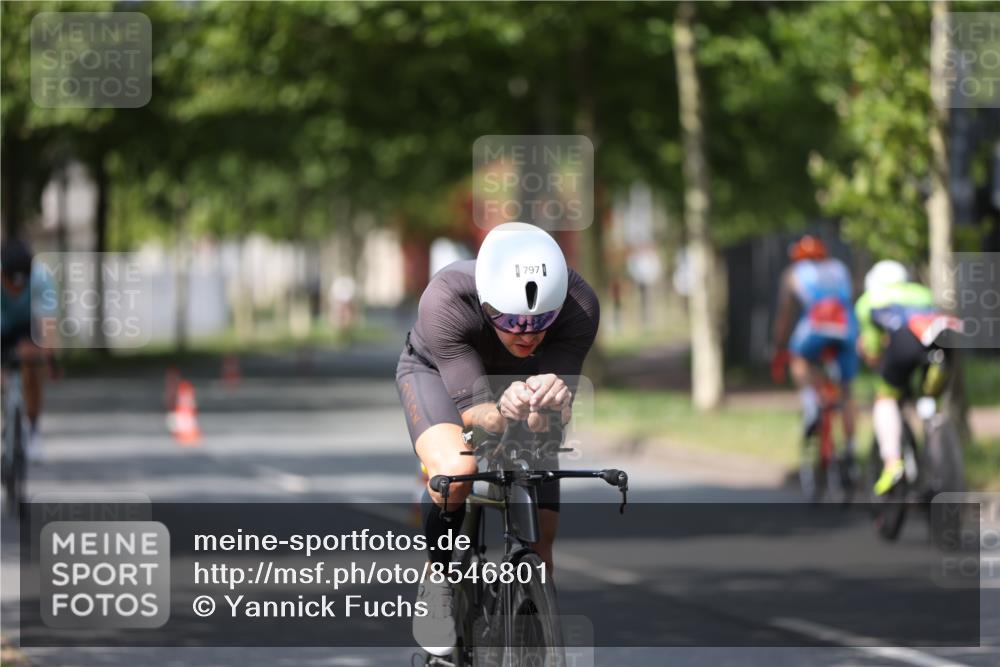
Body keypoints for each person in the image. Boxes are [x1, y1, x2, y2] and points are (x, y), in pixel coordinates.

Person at [396, 222, 599, 656]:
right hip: (438, 376)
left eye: (541, 322)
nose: (527, 334)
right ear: (486, 303)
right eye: (511, 321)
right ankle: (439, 579)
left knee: (542, 535)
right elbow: (479, 420)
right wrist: (503, 411)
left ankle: (536, 637)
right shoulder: (447, 298)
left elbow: (549, 426)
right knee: (459, 471)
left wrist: (550, 405)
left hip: (521, 387)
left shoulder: (580, 306)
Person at [855, 260, 961, 495]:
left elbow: (872, 352)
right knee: (929, 402)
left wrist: (871, 353)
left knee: (886, 398)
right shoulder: (922, 294)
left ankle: (892, 464)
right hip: (944, 344)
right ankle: (938, 462)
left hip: (905, 343)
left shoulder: (869, 300)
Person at [771, 235, 860, 475]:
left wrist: (778, 345)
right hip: (846, 329)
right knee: (847, 390)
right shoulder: (840, 268)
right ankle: (851, 448)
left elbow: (785, 314)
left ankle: (811, 404)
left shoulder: (793, 273)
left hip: (815, 328)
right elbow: (850, 299)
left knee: (798, 359)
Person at [1, 238, 56, 462]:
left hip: (28, 326)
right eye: (11, 283)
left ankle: (33, 431)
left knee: (33, 369)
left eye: (22, 284)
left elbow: (48, 325)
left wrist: (49, 358)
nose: (16, 288)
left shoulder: (41, 278)